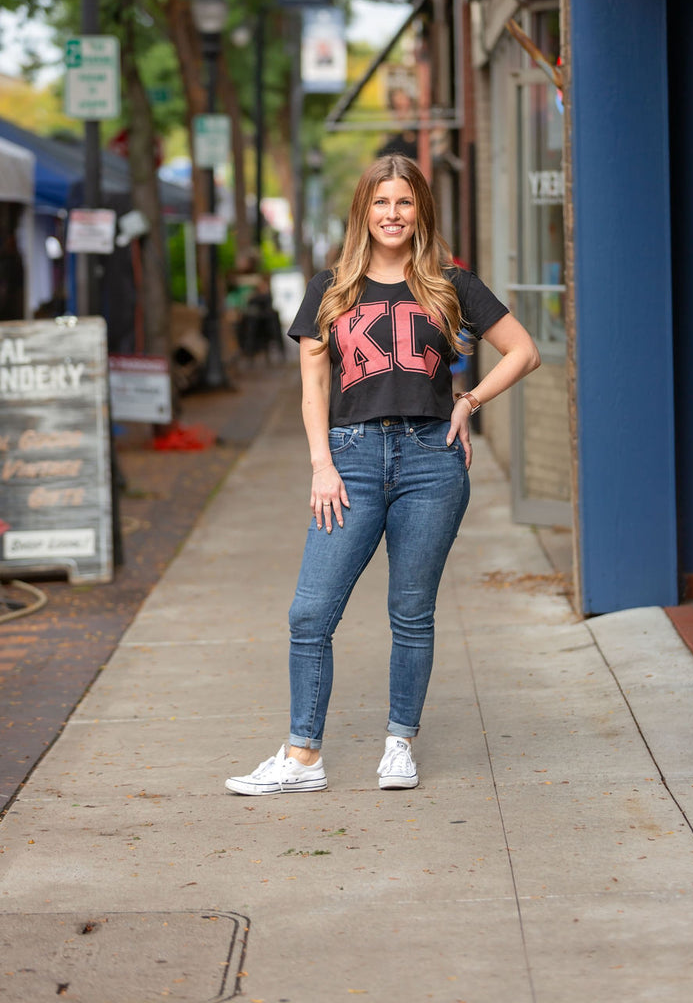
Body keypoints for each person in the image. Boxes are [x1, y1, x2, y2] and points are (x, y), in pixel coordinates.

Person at [225, 155, 540, 797]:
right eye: (380, 203)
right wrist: (322, 465)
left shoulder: (451, 284)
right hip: (352, 461)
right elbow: (313, 388)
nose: (392, 215)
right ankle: (302, 756)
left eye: (404, 202)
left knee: (411, 611)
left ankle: (400, 745)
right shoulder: (331, 286)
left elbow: (525, 351)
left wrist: (468, 403)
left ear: (420, 209)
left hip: (431, 460)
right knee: (310, 612)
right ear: (362, 211)